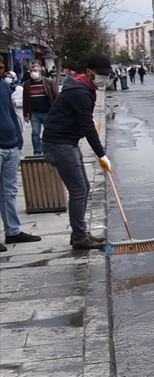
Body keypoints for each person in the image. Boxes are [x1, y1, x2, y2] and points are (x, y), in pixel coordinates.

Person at [41, 54, 113, 250]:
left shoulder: (84, 87)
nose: (104, 79)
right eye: (101, 75)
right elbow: (87, 127)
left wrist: (90, 121)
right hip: (59, 144)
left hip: (67, 142)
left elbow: (85, 120)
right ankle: (80, 237)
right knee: (79, 190)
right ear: (89, 72)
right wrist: (101, 154)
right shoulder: (80, 92)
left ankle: (79, 232)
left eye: (107, 75)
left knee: (84, 187)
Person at [1, 63, 41, 251]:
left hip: (10, 146)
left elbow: (9, 112)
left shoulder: (3, 86)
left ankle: (13, 231)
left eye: (1, 66)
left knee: (9, 192)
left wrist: (17, 139)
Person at [22, 63, 58, 155]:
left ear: (40, 72)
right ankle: (37, 152)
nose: (33, 73)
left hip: (47, 112)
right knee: (35, 133)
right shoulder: (27, 84)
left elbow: (56, 97)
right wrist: (25, 113)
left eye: (35, 71)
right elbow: (25, 100)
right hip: (34, 113)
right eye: (31, 71)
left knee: (49, 133)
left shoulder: (48, 82)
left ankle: (49, 151)